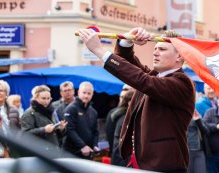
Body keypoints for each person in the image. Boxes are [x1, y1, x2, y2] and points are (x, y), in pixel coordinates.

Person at [78, 27, 195, 172]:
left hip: (164, 164)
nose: (155, 52)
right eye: (155, 48)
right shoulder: (156, 77)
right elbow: (129, 64)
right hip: (140, 162)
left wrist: (99, 51)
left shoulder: (182, 83)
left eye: (162, 49)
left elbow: (140, 79)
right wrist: (127, 40)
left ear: (179, 57)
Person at [21, 85, 67, 151]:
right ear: (35, 98)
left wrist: (61, 129)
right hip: (40, 152)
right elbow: (25, 134)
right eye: (43, 98)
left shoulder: (51, 111)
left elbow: (56, 135)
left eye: (48, 98)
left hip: (54, 150)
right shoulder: (29, 113)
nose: (46, 101)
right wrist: (44, 130)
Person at [62, 81, 99, 159]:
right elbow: (69, 130)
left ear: (92, 94)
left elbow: (95, 131)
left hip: (88, 153)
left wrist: (95, 145)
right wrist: (82, 146)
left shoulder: (93, 111)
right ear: (78, 92)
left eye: (89, 93)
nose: (86, 96)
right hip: (72, 153)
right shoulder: (71, 108)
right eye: (84, 93)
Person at [106, 84, 134, 155]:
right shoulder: (114, 113)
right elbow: (110, 134)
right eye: (121, 97)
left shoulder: (131, 114)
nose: (122, 99)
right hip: (118, 154)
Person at [111, 89, 134, 166]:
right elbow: (117, 141)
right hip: (121, 160)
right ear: (128, 102)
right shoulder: (123, 118)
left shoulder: (129, 117)